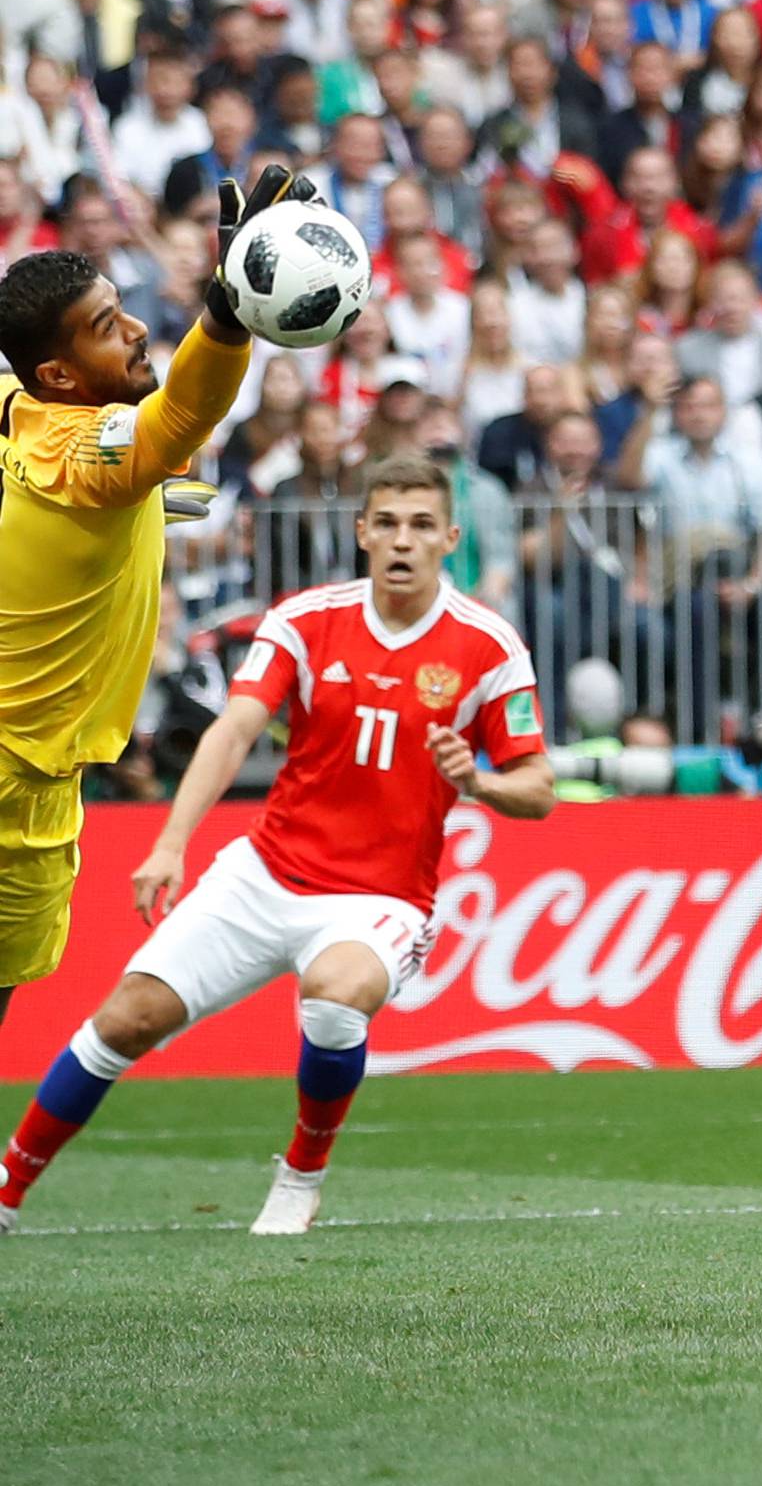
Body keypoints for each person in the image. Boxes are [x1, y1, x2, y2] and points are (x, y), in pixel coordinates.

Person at [0, 455, 556, 1238]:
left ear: (451, 539)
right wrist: (170, 842)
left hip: (382, 897)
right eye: (388, 522)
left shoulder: (487, 646)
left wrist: (482, 782)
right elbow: (234, 730)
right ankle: (8, 1186)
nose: (403, 539)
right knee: (126, 1017)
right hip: (266, 871)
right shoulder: (304, 618)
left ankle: (301, 1174)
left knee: (335, 993)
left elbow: (540, 788)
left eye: (422, 525)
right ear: (362, 531)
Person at [0, 165, 306, 1051]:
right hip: (19, 773)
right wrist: (228, 316)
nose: (137, 331)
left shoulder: (20, 408)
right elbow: (176, 421)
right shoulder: (86, 453)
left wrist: (131, 514)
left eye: (124, 308)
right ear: (59, 372)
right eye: (107, 329)